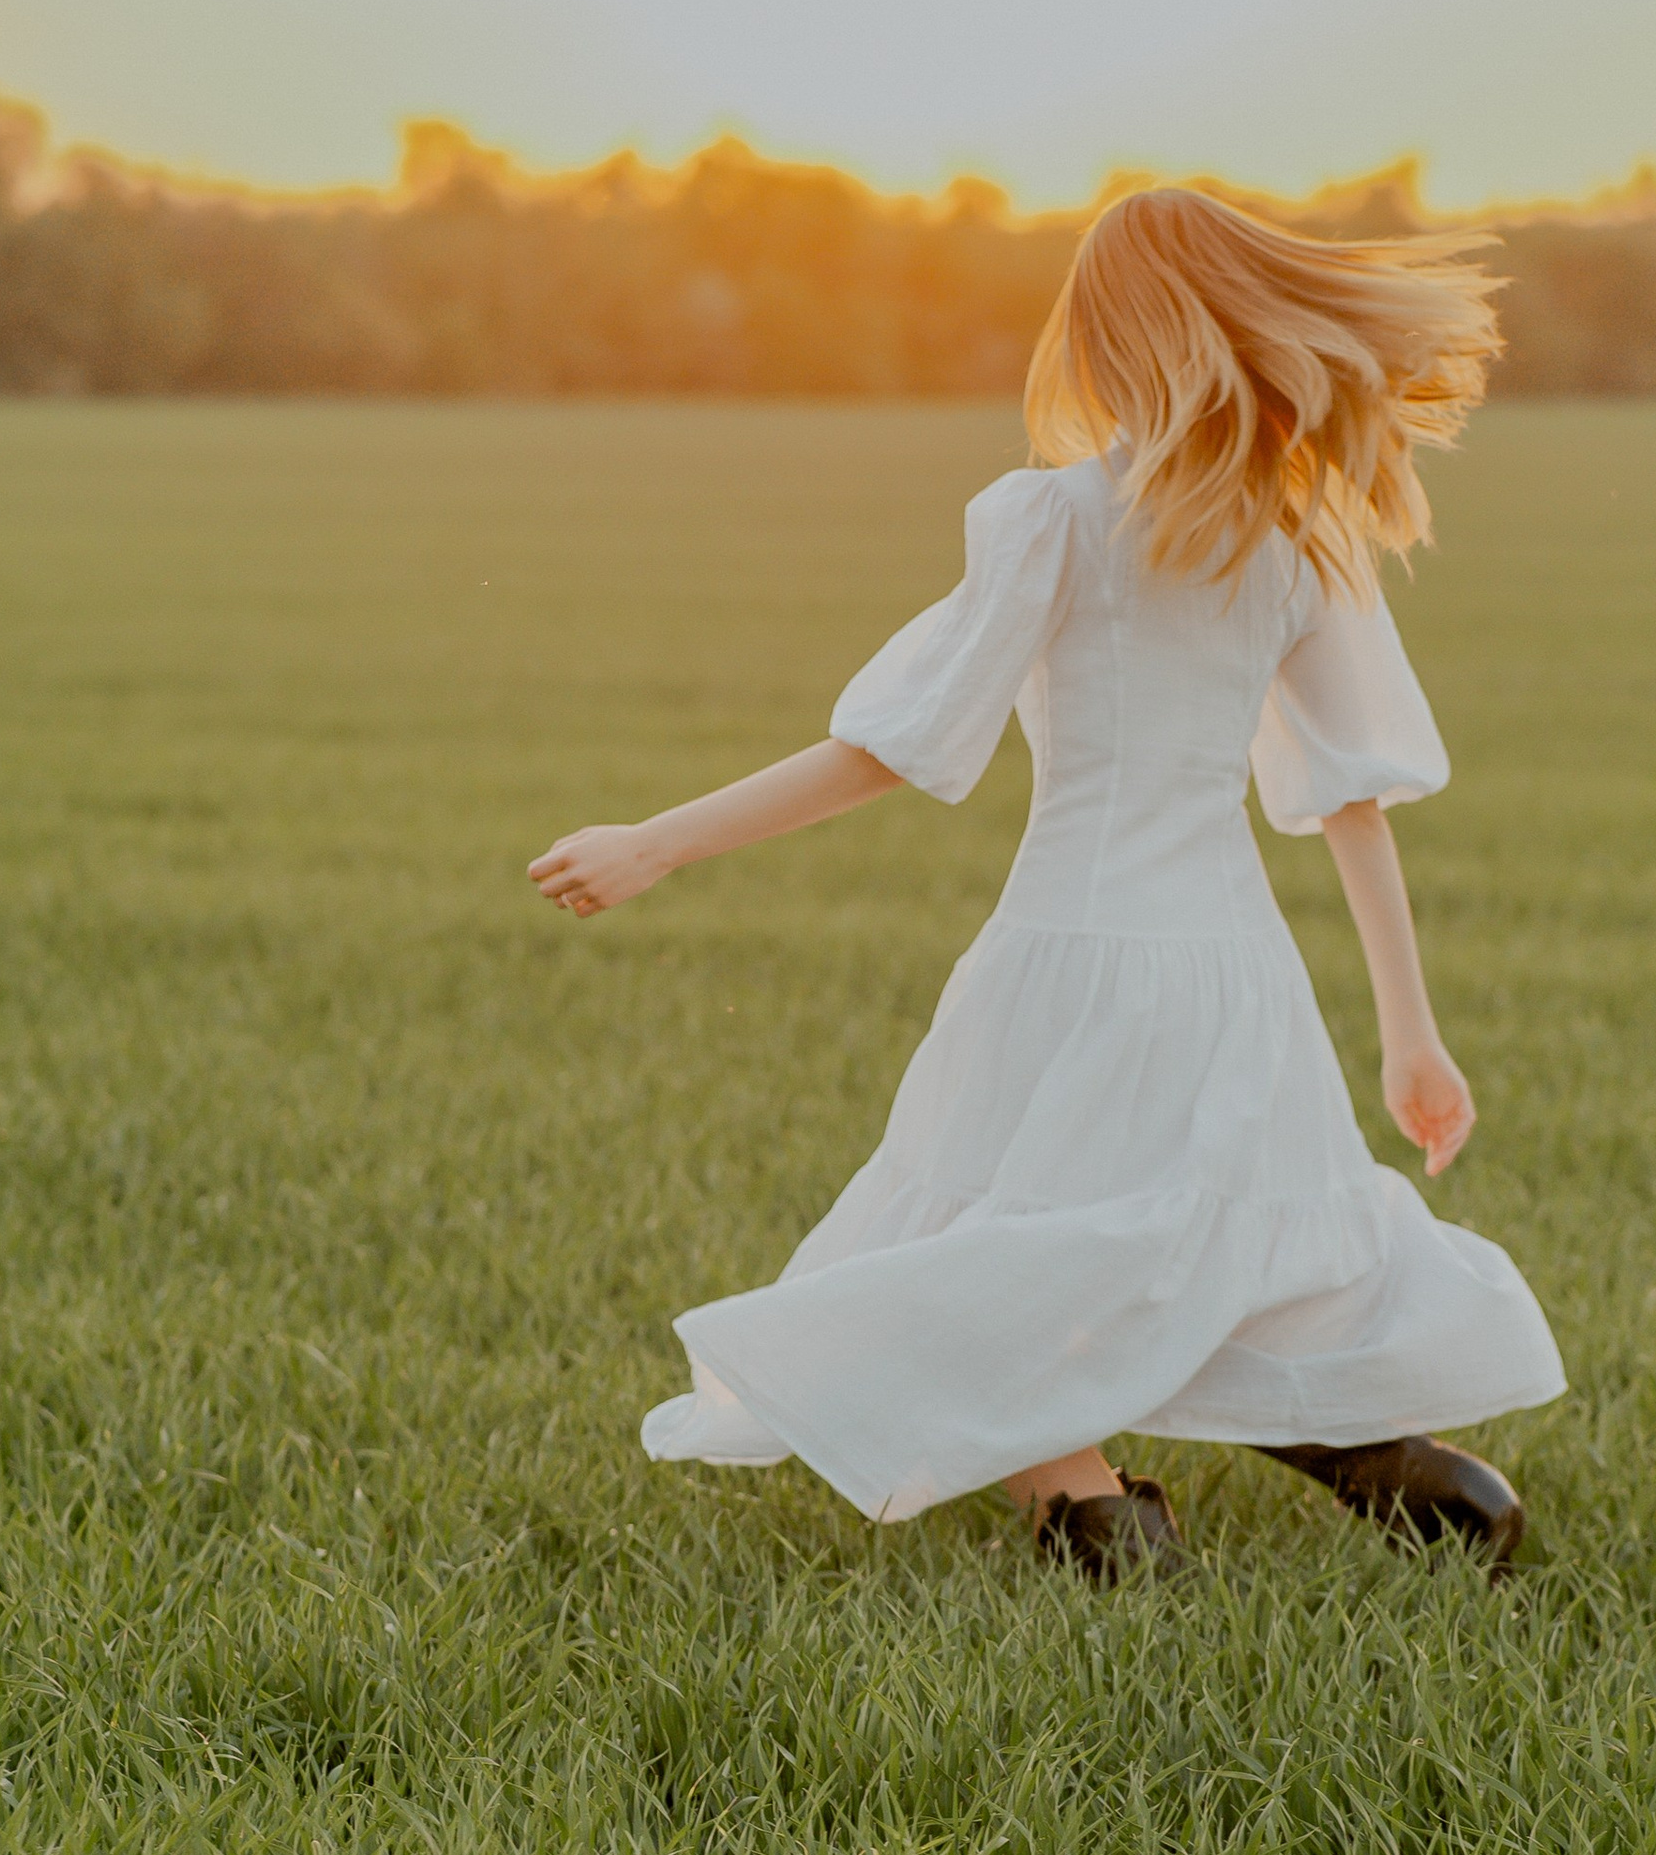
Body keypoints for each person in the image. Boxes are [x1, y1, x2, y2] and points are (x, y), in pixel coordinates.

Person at [527, 185, 1564, 1580]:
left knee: (1000, 1243)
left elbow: (888, 747)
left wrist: (654, 842)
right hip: (1236, 963)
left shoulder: (1055, 520)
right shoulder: (1298, 535)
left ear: (1108, 334)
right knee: (1241, 1227)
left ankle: (1091, 1511)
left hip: (1068, 954)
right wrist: (1409, 1036)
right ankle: (1373, 1450)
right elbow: (1349, 800)